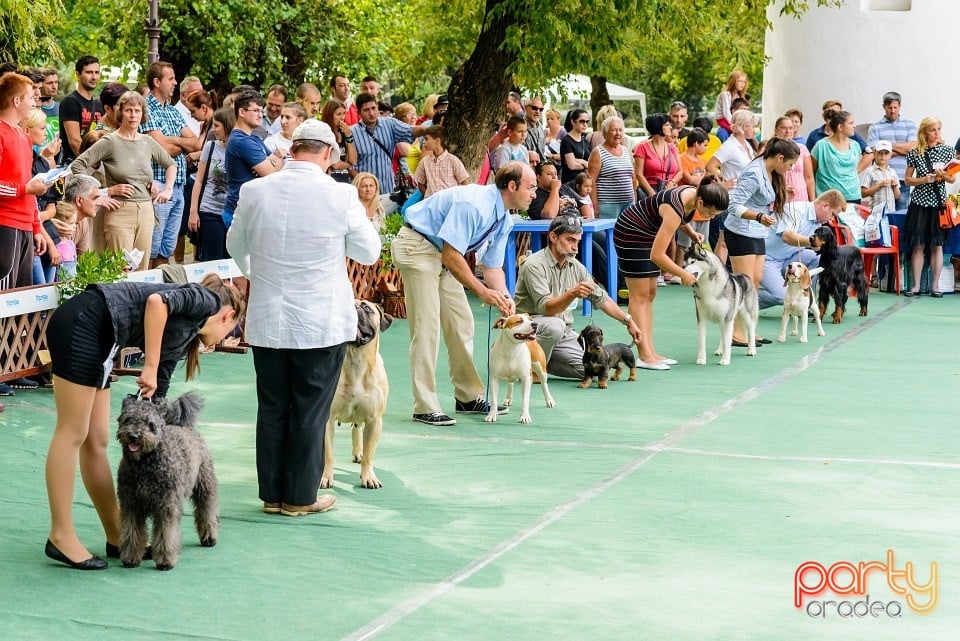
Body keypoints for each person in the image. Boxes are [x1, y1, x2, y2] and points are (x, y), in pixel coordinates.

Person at [45, 175, 244, 569]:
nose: (222, 340)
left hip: (103, 337)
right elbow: (156, 302)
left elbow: (157, 401)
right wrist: (149, 365)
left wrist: (155, 398)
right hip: (85, 322)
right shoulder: (203, 299)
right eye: (229, 332)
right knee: (74, 432)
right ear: (228, 314)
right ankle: (61, 535)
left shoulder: (181, 340)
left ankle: (118, 535)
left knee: (98, 439)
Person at [227, 119, 381, 516]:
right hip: (320, 320)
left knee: (273, 406)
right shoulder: (341, 195)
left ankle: (273, 495)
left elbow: (235, 245)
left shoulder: (254, 190)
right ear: (328, 154)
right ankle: (300, 497)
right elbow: (368, 252)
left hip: (268, 318)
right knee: (311, 409)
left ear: (292, 148)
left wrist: (255, 274)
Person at [391, 161, 536, 426]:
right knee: (427, 327)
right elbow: (452, 255)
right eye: (531, 187)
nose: (534, 193)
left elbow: (492, 268)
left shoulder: (503, 218)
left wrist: (504, 297)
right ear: (512, 186)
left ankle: (468, 397)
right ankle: (425, 405)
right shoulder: (473, 204)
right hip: (417, 247)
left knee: (462, 321)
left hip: (439, 254)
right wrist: (482, 292)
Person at [614, 175, 730, 369]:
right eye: (710, 214)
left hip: (648, 232)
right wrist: (682, 273)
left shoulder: (693, 196)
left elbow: (679, 220)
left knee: (650, 294)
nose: (711, 218)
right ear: (701, 202)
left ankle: (650, 350)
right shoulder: (675, 207)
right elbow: (657, 255)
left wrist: (691, 233)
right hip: (631, 233)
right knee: (639, 296)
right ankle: (644, 355)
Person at [513, 215, 642, 379]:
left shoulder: (576, 266)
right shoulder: (534, 265)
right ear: (553, 237)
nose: (575, 247)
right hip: (531, 327)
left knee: (591, 370)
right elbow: (545, 308)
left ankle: (538, 359)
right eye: (570, 240)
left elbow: (601, 298)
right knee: (554, 325)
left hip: (562, 332)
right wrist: (572, 293)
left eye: (577, 242)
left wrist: (628, 321)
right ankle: (533, 370)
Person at [70, 90, 176, 271]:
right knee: (121, 269)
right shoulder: (110, 141)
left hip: (146, 210)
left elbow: (171, 164)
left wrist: (168, 188)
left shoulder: (147, 141)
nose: (133, 115)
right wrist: (99, 195)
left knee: (142, 269)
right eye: (128, 110)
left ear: (143, 113)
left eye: (137, 110)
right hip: (120, 211)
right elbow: (78, 165)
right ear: (120, 112)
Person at [722, 137, 800, 343]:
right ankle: (734, 333)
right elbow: (733, 205)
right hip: (741, 231)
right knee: (744, 283)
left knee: (755, 281)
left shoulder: (770, 172)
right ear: (780, 158)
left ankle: (748, 330)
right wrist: (758, 216)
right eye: (790, 165)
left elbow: (760, 199)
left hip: (757, 232)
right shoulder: (754, 173)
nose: (791, 169)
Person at [1, 73, 50, 289]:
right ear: (16, 101)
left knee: (21, 295)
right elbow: (25, 186)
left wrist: (36, 227)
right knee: (6, 293)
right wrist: (26, 189)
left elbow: (28, 184)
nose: (35, 101)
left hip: (25, 227)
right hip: (4, 223)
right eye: (31, 97)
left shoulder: (23, 137)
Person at [757, 189, 846, 309]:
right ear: (825, 206)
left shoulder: (818, 222)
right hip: (765, 258)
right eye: (833, 214)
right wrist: (812, 242)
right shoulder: (795, 210)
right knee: (785, 297)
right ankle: (744, 300)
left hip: (789, 258)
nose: (831, 219)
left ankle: (807, 301)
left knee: (818, 259)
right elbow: (787, 236)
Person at [903, 116, 955, 297]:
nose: (936, 133)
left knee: (937, 245)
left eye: (938, 129)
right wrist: (923, 179)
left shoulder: (947, 151)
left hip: (938, 203)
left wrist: (943, 176)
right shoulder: (915, 152)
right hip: (919, 203)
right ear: (924, 132)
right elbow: (907, 180)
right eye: (933, 130)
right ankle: (916, 286)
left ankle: (935, 286)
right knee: (918, 245)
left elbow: (952, 178)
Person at [188, 107, 234, 261]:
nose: (213, 130)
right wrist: (193, 212)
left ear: (228, 125)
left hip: (232, 214)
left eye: (217, 126)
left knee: (230, 261)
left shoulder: (240, 149)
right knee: (210, 261)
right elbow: (199, 180)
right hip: (209, 212)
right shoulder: (211, 146)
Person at [867, 91, 917, 211]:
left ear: (900, 106)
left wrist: (886, 146)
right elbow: (874, 152)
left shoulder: (910, 125)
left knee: (901, 213)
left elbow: (912, 148)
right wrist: (902, 149)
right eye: (889, 107)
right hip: (880, 178)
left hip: (903, 176)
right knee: (880, 212)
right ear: (884, 107)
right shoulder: (875, 127)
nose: (893, 110)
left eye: (895, 107)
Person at [811, 110, 868, 204]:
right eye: (851, 123)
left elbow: (869, 154)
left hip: (852, 195)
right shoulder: (821, 146)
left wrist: (856, 171)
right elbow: (811, 172)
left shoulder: (855, 145)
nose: (855, 126)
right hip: (828, 197)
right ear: (840, 127)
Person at [586, 116, 634, 219]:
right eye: (614, 130)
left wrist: (634, 199)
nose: (618, 133)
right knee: (610, 234)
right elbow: (591, 181)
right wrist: (595, 205)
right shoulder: (598, 152)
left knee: (626, 233)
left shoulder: (626, 151)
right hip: (607, 205)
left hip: (628, 203)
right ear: (605, 133)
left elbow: (632, 178)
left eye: (620, 130)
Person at [59, 56, 103, 165]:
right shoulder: (70, 102)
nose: (94, 77)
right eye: (89, 72)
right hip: (75, 165)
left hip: (95, 163)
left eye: (97, 72)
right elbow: (74, 141)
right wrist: (91, 164)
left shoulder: (98, 104)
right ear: (78, 75)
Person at [412, 125, 470, 198]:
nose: (424, 142)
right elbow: (420, 183)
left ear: (437, 141)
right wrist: (430, 196)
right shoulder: (424, 162)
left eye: (426, 139)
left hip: (449, 202)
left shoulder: (453, 161)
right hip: (431, 203)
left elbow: (465, 182)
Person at [634, 113, 682, 198]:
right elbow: (638, 174)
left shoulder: (672, 147)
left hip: (670, 191)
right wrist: (651, 192)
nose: (670, 127)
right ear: (658, 126)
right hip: (649, 191)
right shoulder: (642, 147)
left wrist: (672, 182)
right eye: (667, 125)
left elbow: (681, 171)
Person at [773, 116, 814, 202]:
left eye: (790, 128)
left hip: (801, 197)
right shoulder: (771, 149)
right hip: (778, 196)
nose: (788, 131)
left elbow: (809, 177)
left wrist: (812, 201)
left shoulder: (802, 149)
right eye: (783, 128)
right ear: (776, 130)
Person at [860, 140, 900, 211]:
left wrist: (895, 187)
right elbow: (863, 193)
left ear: (890, 155)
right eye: (880, 153)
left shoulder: (892, 172)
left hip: (890, 211)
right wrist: (879, 185)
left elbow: (897, 196)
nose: (883, 156)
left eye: (886, 153)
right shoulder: (869, 171)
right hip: (875, 212)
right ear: (875, 153)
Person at [559, 108, 591, 183]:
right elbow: (572, 165)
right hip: (570, 183)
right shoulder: (567, 141)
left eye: (587, 122)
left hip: (584, 184)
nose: (585, 124)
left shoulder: (585, 140)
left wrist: (579, 161)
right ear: (573, 122)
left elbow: (591, 164)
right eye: (582, 121)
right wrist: (584, 163)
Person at [714, 70, 748, 136]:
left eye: (744, 82)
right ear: (733, 81)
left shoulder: (739, 96)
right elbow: (726, 112)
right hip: (723, 119)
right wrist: (735, 124)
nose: (742, 84)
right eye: (740, 81)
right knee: (737, 132)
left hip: (734, 119)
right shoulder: (725, 94)